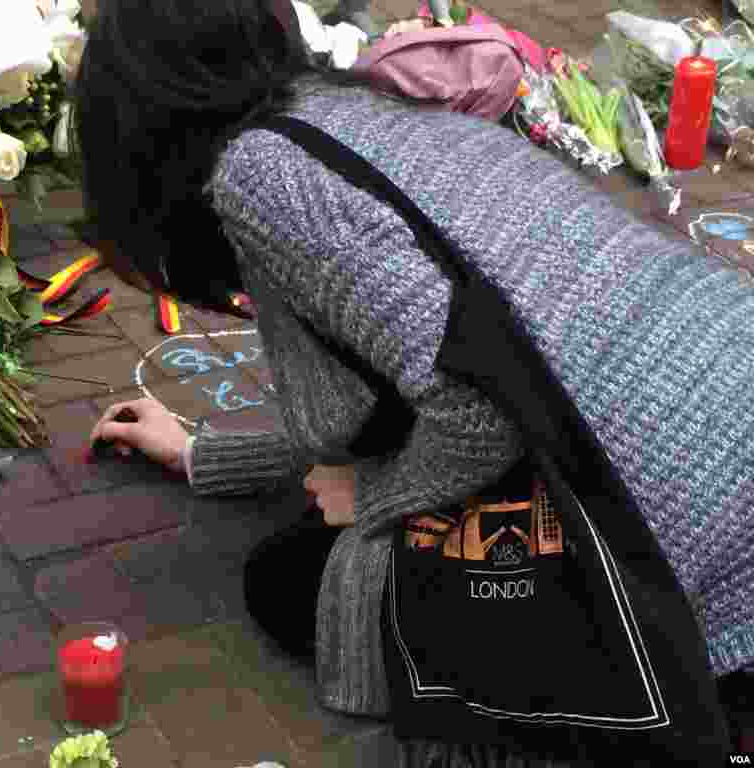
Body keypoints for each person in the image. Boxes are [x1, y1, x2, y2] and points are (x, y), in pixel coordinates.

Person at [77, 0, 754, 763]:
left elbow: (475, 413)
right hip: (717, 372)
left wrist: (371, 497)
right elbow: (386, 396)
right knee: (333, 549)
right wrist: (208, 455)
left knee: (301, 585)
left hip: (679, 515)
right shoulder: (352, 108)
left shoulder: (259, 174)